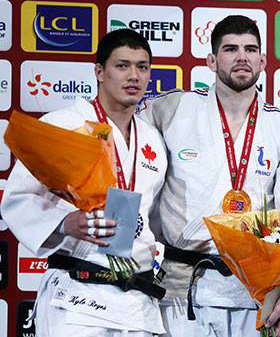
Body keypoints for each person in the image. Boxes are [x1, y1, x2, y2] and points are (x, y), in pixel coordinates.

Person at [138, 15, 280, 337]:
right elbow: (126, 153)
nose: (242, 57)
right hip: (180, 287)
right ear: (211, 60)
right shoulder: (170, 110)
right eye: (230, 49)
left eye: (250, 49)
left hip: (256, 289)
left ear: (262, 60)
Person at [1, 29, 167, 336]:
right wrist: (66, 222)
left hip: (135, 302)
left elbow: (152, 217)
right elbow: (18, 198)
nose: (134, 76)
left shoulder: (153, 140)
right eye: (122, 65)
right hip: (77, 298)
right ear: (99, 72)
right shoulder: (63, 124)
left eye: (142, 67)